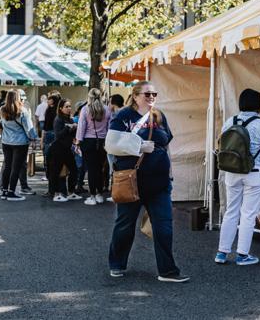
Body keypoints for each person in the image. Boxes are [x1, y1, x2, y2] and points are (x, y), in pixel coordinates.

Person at [107, 81, 188, 283]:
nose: (152, 97)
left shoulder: (159, 116)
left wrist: (170, 173)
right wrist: (139, 146)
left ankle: (167, 271)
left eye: (154, 94)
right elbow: (111, 145)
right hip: (132, 182)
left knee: (164, 226)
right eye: (147, 94)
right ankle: (117, 263)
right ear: (135, 96)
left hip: (159, 183)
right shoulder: (123, 116)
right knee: (125, 225)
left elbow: (166, 145)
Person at [215, 88, 260, 266]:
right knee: (248, 213)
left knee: (231, 211)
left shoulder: (230, 121)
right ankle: (242, 255)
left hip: (231, 171)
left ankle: (222, 252)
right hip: (255, 173)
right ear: (259, 105)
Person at [0, 89, 36, 201]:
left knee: (7, 166)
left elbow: (2, 124)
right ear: (18, 98)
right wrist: (33, 139)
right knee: (16, 167)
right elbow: (29, 128)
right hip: (20, 142)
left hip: (6, 142)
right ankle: (11, 192)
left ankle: (4, 190)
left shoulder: (2, 109)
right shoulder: (22, 111)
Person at [78, 89, 111, 205]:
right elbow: (109, 127)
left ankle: (92, 195)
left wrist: (78, 141)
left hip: (88, 141)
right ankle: (99, 194)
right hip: (103, 142)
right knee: (100, 169)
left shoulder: (85, 109)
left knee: (91, 169)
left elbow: (81, 127)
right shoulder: (106, 109)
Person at [47, 97, 80, 202]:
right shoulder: (58, 119)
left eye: (70, 106)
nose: (69, 108)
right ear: (61, 108)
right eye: (66, 106)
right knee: (56, 172)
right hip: (58, 148)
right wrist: (68, 127)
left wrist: (74, 128)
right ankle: (56, 193)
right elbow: (58, 135)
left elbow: (71, 135)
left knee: (74, 170)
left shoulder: (70, 119)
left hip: (67, 148)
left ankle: (71, 192)